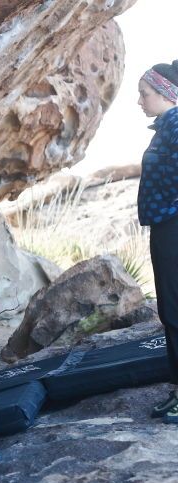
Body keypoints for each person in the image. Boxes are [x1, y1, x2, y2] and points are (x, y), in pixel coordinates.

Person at [137, 61, 178, 425]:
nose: (140, 101)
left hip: (173, 225)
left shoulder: (177, 125)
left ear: (166, 94)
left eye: (145, 94)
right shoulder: (168, 126)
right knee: (170, 307)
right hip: (167, 223)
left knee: (176, 307)